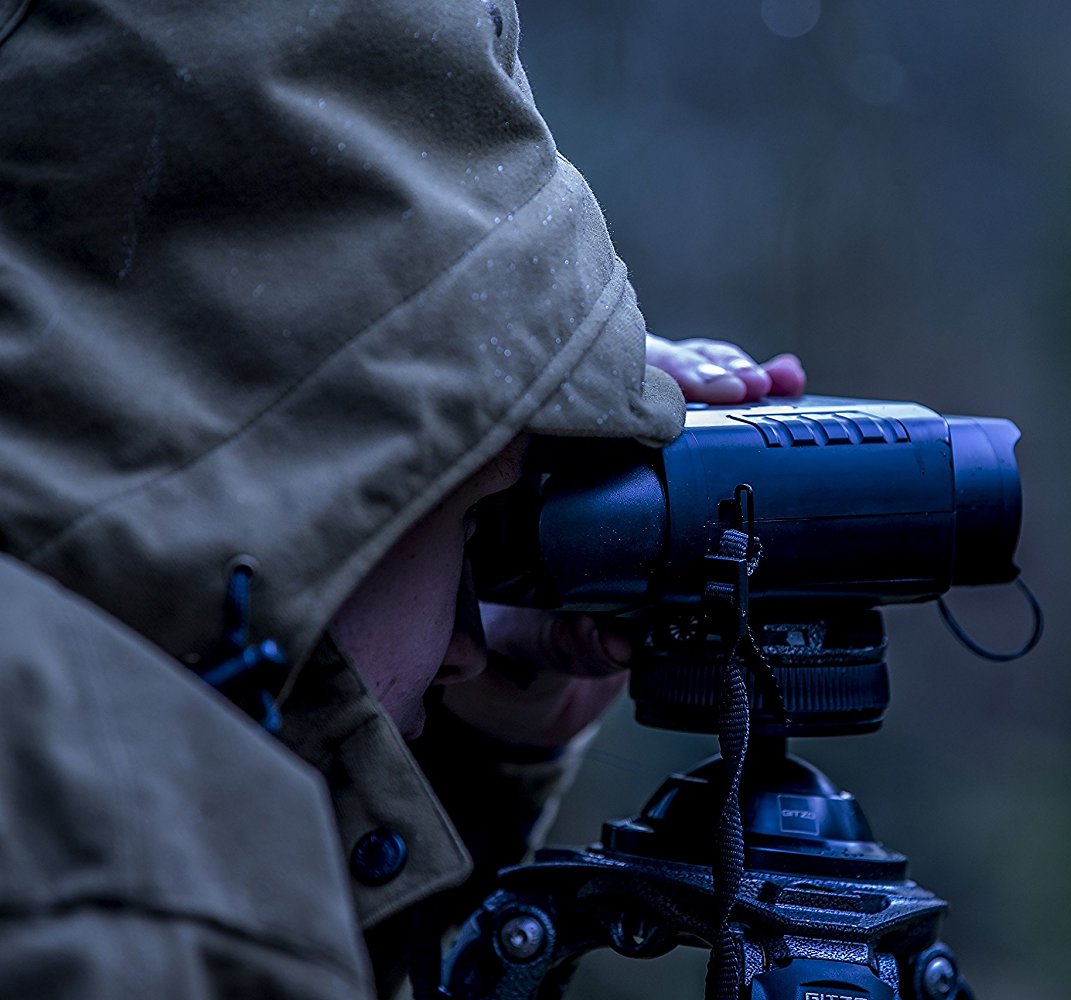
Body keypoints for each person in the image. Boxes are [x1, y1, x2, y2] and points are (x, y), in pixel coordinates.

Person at [0, 0, 804, 996]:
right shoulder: (94, 913)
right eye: (468, 515)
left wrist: (463, 756)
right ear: (309, 475)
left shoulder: (71, 820)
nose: (470, 646)